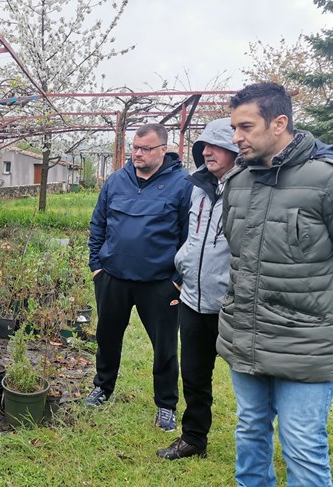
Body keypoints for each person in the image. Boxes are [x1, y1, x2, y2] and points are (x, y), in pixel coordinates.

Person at [217, 82, 333, 487]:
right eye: (234, 128)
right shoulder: (237, 182)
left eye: (245, 127)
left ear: (279, 122)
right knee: (249, 430)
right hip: (245, 335)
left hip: (306, 344)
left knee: (303, 445)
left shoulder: (324, 180)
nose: (236, 138)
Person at [87, 123, 192, 432]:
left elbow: (189, 237)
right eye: (135, 147)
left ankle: (166, 405)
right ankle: (103, 388)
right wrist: (97, 267)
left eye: (146, 149)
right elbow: (98, 224)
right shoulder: (117, 181)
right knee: (107, 338)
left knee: (165, 347)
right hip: (113, 279)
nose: (138, 154)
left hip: (159, 283)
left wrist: (177, 279)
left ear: (163, 150)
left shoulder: (182, 185)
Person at [157, 118, 237, 460]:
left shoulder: (251, 190)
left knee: (250, 384)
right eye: (204, 146)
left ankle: (255, 449)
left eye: (217, 145)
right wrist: (182, 268)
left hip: (233, 305)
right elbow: (189, 237)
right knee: (193, 375)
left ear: (236, 150)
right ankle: (193, 438)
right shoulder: (198, 191)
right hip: (192, 300)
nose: (207, 151)